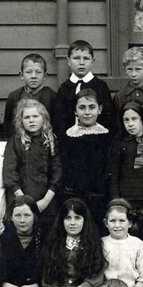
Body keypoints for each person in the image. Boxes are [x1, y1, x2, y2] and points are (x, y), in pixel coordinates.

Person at [41, 197, 105, 287]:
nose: (72, 223)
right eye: (68, 218)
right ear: (62, 220)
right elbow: (47, 275)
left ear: (85, 220)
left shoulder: (92, 243)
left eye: (77, 218)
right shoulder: (54, 243)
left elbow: (97, 273)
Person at [3, 99, 61, 237]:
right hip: (20, 200)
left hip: (46, 202)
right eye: (27, 117)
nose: (31, 120)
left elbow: (57, 172)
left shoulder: (51, 140)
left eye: (35, 116)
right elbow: (9, 173)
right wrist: (24, 202)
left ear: (44, 118)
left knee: (46, 237)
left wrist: (46, 201)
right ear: (21, 121)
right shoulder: (15, 141)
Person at [59, 88, 111, 230]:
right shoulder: (67, 137)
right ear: (75, 111)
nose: (87, 112)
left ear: (100, 109)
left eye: (92, 107)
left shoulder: (107, 136)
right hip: (74, 197)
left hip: (100, 198)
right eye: (82, 108)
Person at [109, 102, 143, 234]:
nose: (130, 124)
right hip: (128, 198)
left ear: (142, 119)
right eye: (126, 120)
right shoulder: (121, 145)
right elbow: (114, 174)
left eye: (134, 119)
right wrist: (116, 199)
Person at [54, 39, 115, 137]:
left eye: (86, 58)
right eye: (76, 58)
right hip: (70, 140)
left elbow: (108, 118)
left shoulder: (100, 86)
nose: (81, 63)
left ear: (92, 61)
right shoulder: (64, 88)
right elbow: (59, 120)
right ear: (69, 61)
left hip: (97, 139)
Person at [1, 53, 57, 139]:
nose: (33, 76)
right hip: (19, 141)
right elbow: (8, 127)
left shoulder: (52, 97)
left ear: (45, 75)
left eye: (38, 72)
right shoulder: (14, 96)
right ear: (21, 75)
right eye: (29, 72)